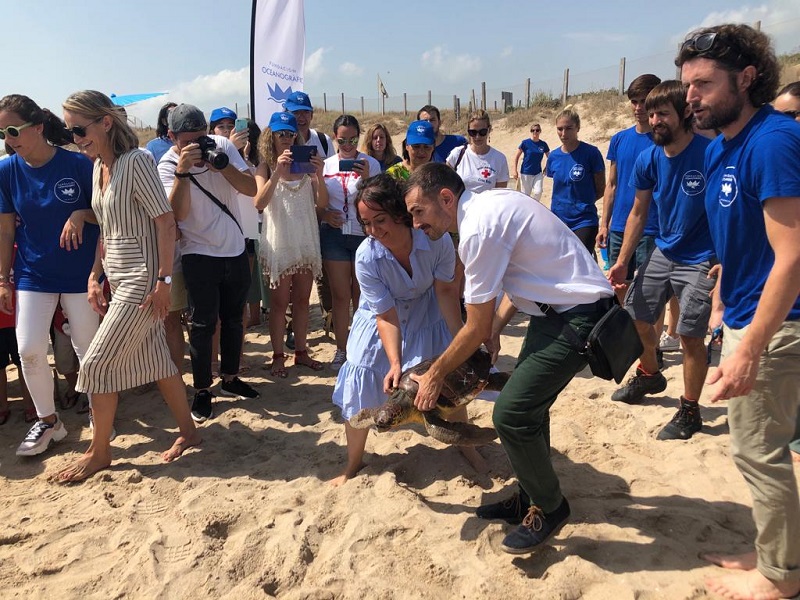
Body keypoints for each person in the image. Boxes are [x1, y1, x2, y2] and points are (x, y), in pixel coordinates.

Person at [404, 163, 614, 555]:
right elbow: (521, 276)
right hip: (552, 313)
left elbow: (474, 327)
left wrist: (434, 375)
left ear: (446, 198)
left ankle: (550, 508)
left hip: (578, 317)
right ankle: (529, 496)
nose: (415, 223)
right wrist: (497, 327)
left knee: (511, 414)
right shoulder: (489, 205)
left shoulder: (477, 228)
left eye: (418, 211)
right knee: (529, 408)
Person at [677, 24, 800, 600]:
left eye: (703, 83)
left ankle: (780, 577)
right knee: (757, 449)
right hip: (745, 315)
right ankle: (775, 550)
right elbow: (745, 238)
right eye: (688, 85)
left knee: (759, 452)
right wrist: (724, 296)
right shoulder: (727, 144)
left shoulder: (772, 142)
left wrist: (751, 345)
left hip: (776, 327)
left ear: (746, 78)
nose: (691, 97)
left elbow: (792, 256)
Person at [55, 90, 200, 482]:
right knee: (157, 362)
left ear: (105, 123)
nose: (75, 138)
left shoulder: (137, 161)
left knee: (97, 364)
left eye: (79, 129)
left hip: (143, 279)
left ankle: (99, 452)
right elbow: (106, 230)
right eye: (69, 132)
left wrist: (164, 281)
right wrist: (94, 276)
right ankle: (189, 432)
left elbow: (165, 221)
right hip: (118, 278)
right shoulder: (97, 167)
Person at [331, 174, 463, 486]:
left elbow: (447, 292)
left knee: (448, 379)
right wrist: (395, 362)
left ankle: (467, 450)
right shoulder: (366, 255)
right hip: (380, 317)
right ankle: (353, 463)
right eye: (366, 223)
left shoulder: (436, 240)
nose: (374, 231)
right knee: (362, 378)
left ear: (400, 214)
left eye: (380, 220)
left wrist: (461, 341)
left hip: (426, 309)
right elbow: (385, 315)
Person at [607, 80, 717, 441]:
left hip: (701, 257)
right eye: (651, 114)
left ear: (684, 113)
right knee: (636, 317)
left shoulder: (710, 153)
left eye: (662, 113)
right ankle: (651, 375)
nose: (654, 120)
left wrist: (726, 259)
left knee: (690, 335)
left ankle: (690, 409)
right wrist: (622, 260)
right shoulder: (649, 158)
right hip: (663, 250)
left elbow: (730, 209)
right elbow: (638, 212)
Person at [0, 94, 101, 457]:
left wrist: (81, 214)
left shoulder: (78, 164)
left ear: (38, 127)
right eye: (2, 133)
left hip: (79, 273)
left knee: (88, 349)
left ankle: (100, 412)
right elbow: (6, 230)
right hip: (33, 274)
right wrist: (3, 279)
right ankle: (49, 422)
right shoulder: (7, 171)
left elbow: (107, 214)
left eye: (13, 130)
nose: (8, 139)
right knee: (28, 349)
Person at [158, 104, 259, 423]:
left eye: (200, 138)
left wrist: (223, 167)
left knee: (234, 319)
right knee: (202, 326)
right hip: (198, 253)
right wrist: (183, 172)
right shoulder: (167, 164)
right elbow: (177, 214)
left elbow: (251, 188)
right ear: (171, 136)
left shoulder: (222, 145)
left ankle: (230, 378)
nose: (197, 146)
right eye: (188, 141)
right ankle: (202, 389)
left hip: (234, 247)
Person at [254, 112, 325, 377]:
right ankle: (277, 355)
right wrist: (277, 174)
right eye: (281, 133)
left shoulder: (305, 165)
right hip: (280, 241)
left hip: (305, 239)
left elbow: (322, 204)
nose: (286, 138)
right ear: (270, 135)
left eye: (290, 133)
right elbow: (259, 203)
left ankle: (301, 351)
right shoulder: (264, 167)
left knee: (303, 301)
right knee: (279, 303)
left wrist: (319, 176)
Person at [320, 114, 381, 370]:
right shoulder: (326, 165)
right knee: (340, 295)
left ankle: (360, 347)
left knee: (361, 295)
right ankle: (341, 349)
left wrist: (366, 179)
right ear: (335, 138)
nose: (347, 145)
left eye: (352, 140)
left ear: (359, 137)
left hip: (364, 234)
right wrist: (325, 215)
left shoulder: (371, 163)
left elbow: (378, 202)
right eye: (342, 140)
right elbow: (318, 203)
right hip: (334, 235)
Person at [598, 75, 661, 299]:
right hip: (619, 226)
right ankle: (624, 323)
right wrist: (604, 224)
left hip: (651, 227)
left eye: (644, 101)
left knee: (649, 292)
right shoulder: (619, 139)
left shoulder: (663, 141)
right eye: (634, 101)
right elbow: (612, 184)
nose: (638, 107)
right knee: (618, 285)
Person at [546, 107, 606, 256]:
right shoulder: (553, 156)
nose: (563, 133)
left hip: (584, 220)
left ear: (577, 127)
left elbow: (601, 188)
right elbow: (558, 186)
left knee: (578, 258)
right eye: (560, 129)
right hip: (558, 219)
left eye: (568, 128)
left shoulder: (591, 153)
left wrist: (581, 203)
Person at [445, 109, 509, 193]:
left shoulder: (499, 159)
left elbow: (500, 194)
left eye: (482, 132)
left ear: (489, 129)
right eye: (473, 132)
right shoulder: (457, 154)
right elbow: (446, 186)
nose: (477, 137)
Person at [511, 123, 550, 201]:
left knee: (538, 192)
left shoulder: (543, 144)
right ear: (531, 131)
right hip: (526, 173)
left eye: (537, 130)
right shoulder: (525, 143)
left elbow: (550, 157)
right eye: (533, 130)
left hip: (538, 173)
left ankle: (534, 205)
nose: (535, 132)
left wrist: (547, 167)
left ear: (540, 131)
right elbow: (516, 157)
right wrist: (514, 170)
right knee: (525, 196)